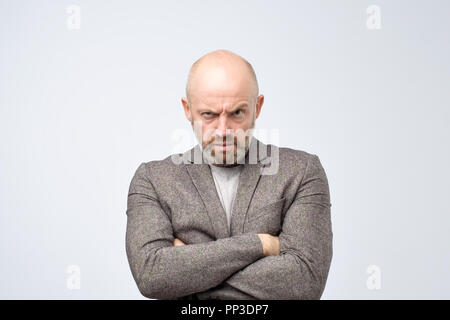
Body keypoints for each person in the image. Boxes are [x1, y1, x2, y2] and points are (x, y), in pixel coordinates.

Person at [125, 49, 333, 300]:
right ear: (187, 109)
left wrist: (190, 269)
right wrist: (261, 245)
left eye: (236, 113)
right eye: (208, 115)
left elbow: (305, 282)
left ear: (257, 107)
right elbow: (152, 276)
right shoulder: (152, 180)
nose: (223, 131)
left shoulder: (301, 171)